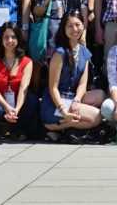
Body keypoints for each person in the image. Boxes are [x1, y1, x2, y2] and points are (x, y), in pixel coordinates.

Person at [42, 13, 103, 142]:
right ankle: (54, 126)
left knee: (101, 95)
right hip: (56, 102)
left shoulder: (84, 52)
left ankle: (67, 127)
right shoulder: (60, 53)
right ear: (63, 29)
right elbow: (53, 88)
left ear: (83, 26)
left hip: (71, 97)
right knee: (97, 117)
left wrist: (77, 100)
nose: (75, 29)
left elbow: (82, 84)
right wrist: (63, 109)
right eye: (70, 26)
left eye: (77, 25)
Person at [0, 21, 32, 143]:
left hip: (16, 103)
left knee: (32, 101)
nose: (10, 40)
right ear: (1, 39)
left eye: (13, 37)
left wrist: (16, 110)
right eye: (6, 37)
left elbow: (24, 88)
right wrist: (7, 108)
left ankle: (17, 130)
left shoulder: (27, 62)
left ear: (18, 39)